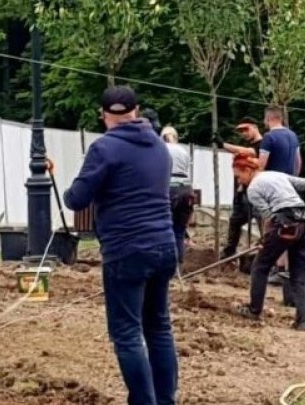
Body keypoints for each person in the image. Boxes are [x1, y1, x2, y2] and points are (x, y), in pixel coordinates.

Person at [64, 86, 178, 405]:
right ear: (137, 112)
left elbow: (78, 198)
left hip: (126, 249)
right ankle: (165, 400)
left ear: (103, 116)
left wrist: (68, 191)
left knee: (127, 334)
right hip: (164, 244)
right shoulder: (159, 147)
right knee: (158, 327)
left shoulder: (104, 148)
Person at [231, 153, 305, 331]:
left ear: (247, 170)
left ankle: (254, 310)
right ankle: (303, 322)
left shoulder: (253, 189)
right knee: (299, 276)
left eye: (239, 176)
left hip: (284, 223)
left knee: (260, 266)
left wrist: (265, 240)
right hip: (304, 224)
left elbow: (269, 218)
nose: (239, 182)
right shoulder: (277, 175)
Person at [216, 117, 265, 258]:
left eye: (246, 129)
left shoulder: (262, 145)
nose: (244, 133)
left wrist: (223, 145)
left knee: (262, 222)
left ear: (255, 127)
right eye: (241, 131)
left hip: (257, 192)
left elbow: (248, 151)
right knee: (235, 221)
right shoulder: (245, 145)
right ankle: (229, 252)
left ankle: (267, 253)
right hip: (242, 193)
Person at [161, 125, 193, 263]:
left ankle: (165, 266)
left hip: (170, 188)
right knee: (179, 232)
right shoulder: (184, 151)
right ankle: (177, 267)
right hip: (186, 190)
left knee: (164, 229)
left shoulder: (161, 149)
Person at [259, 106, 301, 176]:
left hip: (273, 180)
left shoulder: (269, 136)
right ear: (281, 119)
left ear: (268, 118)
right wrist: (295, 178)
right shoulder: (293, 135)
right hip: (289, 180)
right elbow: (298, 162)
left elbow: (261, 165)